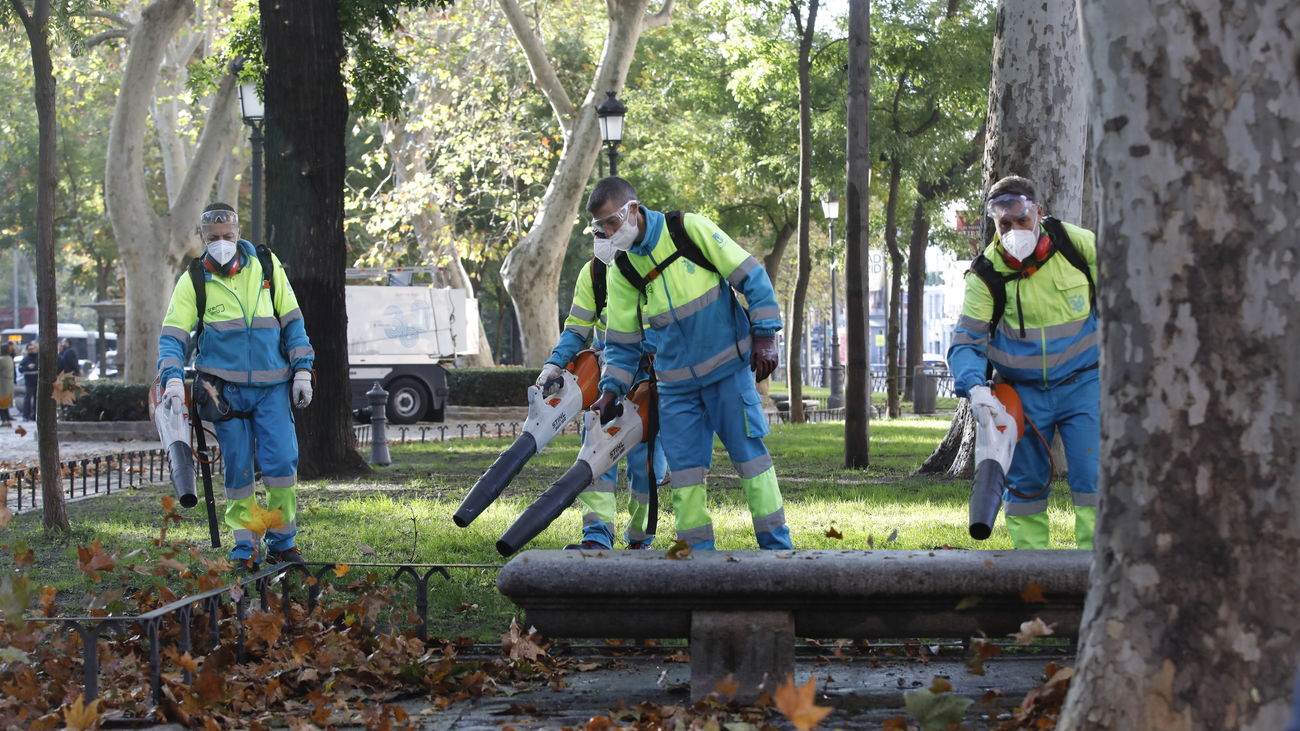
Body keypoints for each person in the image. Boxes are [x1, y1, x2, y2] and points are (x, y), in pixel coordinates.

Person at [587, 177, 791, 551]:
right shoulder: (623, 271)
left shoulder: (688, 229)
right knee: (685, 475)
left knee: (752, 462)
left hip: (729, 373)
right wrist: (610, 389)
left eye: (612, 223)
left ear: (632, 210)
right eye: (602, 228)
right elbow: (621, 342)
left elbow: (750, 276)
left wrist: (765, 334)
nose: (609, 234)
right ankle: (698, 557)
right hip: (676, 387)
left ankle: (778, 549)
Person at [157, 203, 315, 569]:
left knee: (281, 465)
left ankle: (282, 542)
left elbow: (293, 321)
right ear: (202, 238)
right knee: (239, 470)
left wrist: (303, 369)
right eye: (213, 238)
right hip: (223, 392)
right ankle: (245, 546)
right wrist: (172, 380)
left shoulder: (267, 267)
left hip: (273, 386)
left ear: (238, 232)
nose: (222, 243)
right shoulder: (194, 280)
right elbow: (172, 337)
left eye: (228, 236)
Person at [948, 175, 1099, 549]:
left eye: (1021, 219)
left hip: (1085, 385)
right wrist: (976, 388)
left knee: (1096, 481)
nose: (1014, 230)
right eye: (1004, 224)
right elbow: (966, 344)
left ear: (1039, 213)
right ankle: (1030, 574)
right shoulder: (985, 274)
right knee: (1024, 488)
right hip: (1022, 396)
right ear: (994, 226)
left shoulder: (1078, 246)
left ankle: (1100, 572)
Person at [535, 253, 669, 550]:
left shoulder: (658, 264)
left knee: (646, 466)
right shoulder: (595, 272)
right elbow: (577, 327)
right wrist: (555, 363)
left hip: (653, 376)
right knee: (594, 457)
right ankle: (596, 536)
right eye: (598, 229)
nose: (604, 236)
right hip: (608, 372)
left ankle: (639, 539)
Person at [19, 341, 37, 420]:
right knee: (28, 398)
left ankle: (35, 415)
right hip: (29, 381)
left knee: (37, 399)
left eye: (33, 348)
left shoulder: (39, 358)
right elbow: (20, 369)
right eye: (30, 349)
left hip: (37, 381)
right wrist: (28, 367)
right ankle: (26, 415)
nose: (32, 350)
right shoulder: (25, 359)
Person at [0, 342, 14, 427]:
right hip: (8, 384)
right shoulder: (9, 358)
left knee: (1, 404)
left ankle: (4, 420)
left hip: (2, 385)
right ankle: (7, 419)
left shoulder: (1, 360)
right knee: (5, 404)